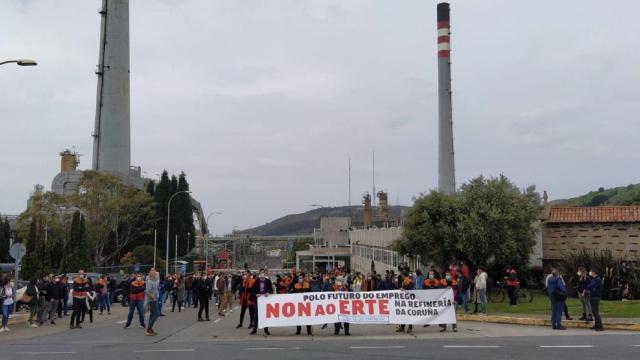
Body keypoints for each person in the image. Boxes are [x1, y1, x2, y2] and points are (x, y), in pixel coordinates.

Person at [250, 271, 273, 335]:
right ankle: (254, 330)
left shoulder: (268, 281)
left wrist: (268, 292)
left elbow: (271, 289)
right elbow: (252, 290)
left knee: (265, 315)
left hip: (266, 301)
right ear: (259, 275)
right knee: (256, 316)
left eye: (263, 273)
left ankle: (266, 330)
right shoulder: (256, 281)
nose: (262, 275)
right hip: (258, 300)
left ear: (265, 274)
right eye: (261, 274)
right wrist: (255, 294)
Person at [146, 269, 160, 336]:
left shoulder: (155, 280)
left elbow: (156, 287)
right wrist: (153, 297)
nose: (156, 274)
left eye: (156, 273)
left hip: (155, 298)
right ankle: (149, 328)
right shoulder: (149, 282)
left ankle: (150, 329)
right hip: (152, 299)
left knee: (152, 314)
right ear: (151, 274)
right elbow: (147, 291)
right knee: (157, 313)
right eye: (154, 274)